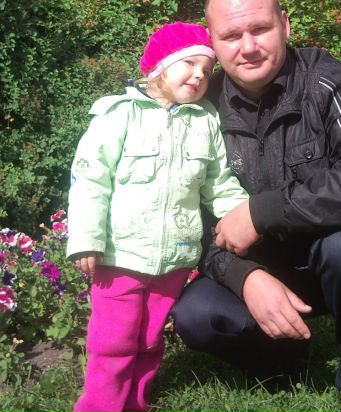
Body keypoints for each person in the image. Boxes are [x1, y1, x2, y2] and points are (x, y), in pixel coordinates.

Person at [170, 0, 341, 412]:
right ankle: (284, 355)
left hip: (339, 251)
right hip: (264, 264)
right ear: (213, 42)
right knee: (196, 314)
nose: (248, 47)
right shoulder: (199, 109)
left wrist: (262, 212)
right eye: (231, 36)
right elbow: (186, 218)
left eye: (259, 29)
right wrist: (245, 277)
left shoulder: (329, 80)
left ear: (284, 24)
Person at [67, 21, 249, 412]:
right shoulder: (120, 115)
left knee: (149, 340)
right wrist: (86, 238)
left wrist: (244, 216)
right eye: (190, 64)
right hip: (120, 256)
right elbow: (90, 178)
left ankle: (135, 402)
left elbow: (218, 182)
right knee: (113, 342)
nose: (199, 75)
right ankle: (100, 406)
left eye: (207, 70)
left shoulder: (205, 121)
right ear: (160, 68)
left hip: (174, 258)